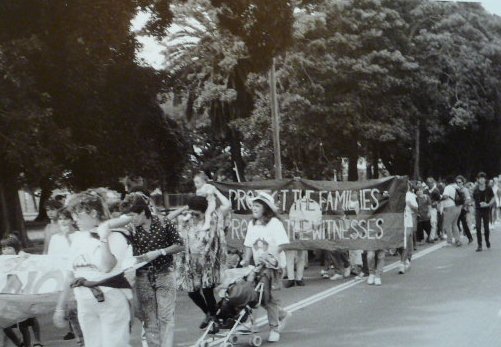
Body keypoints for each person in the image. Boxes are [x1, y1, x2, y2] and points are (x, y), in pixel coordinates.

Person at [53, 190, 134, 347]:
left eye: (78, 216)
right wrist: (59, 308)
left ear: (93, 213)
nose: (75, 221)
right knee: (92, 344)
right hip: (84, 300)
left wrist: (103, 237)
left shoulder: (115, 236)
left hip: (110, 298)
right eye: (74, 216)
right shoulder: (77, 238)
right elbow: (70, 275)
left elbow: (106, 267)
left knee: (115, 344)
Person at [120, 192, 185, 347]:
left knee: (166, 317)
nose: (131, 219)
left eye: (133, 215)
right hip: (142, 277)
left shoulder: (163, 222)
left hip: (165, 273)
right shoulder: (130, 229)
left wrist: (159, 252)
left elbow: (180, 244)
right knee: (149, 320)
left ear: (143, 212)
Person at [174, 184, 231, 332]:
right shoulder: (187, 220)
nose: (193, 216)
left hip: (208, 262)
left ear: (204, 211)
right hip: (191, 263)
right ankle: (209, 314)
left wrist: (215, 191)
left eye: (196, 214)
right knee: (192, 292)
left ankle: (213, 319)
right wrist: (186, 208)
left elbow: (227, 205)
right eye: (191, 213)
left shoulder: (213, 218)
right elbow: (167, 218)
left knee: (207, 290)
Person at [241, 192, 291, 343]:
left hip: (273, 267)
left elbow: (282, 243)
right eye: (253, 206)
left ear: (265, 208)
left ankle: (274, 328)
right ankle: (281, 314)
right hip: (258, 266)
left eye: (257, 206)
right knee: (256, 296)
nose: (254, 208)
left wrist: (270, 255)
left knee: (269, 298)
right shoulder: (252, 224)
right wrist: (245, 261)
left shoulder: (274, 223)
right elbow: (248, 245)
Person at [46, 208, 84, 346]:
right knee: (72, 313)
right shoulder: (55, 239)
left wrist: (69, 237)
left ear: (72, 220)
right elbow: (50, 261)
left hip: (81, 279)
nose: (63, 221)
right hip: (65, 282)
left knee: (82, 313)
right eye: (60, 219)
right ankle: (81, 342)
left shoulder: (80, 235)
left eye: (66, 218)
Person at [1, 236, 45, 347]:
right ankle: (20, 344)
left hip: (22, 293)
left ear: (16, 249)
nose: (6, 251)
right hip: (7, 294)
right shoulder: (2, 260)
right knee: (5, 324)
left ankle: (33, 342)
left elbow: (34, 262)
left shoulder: (21, 257)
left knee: (25, 321)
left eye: (9, 248)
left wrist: (22, 256)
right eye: (4, 248)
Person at [285, 193, 321, 287]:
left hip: (305, 232)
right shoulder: (296, 203)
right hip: (294, 232)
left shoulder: (315, 204)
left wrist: (311, 230)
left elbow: (318, 218)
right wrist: (294, 229)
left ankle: (299, 278)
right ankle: (291, 278)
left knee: (301, 255)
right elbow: (291, 217)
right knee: (291, 255)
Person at [472, 172, 495, 252]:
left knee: (486, 228)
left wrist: (488, 204)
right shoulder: (475, 188)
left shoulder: (488, 188)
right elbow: (472, 199)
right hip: (478, 209)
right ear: (478, 179)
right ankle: (479, 245)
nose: (481, 180)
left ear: (485, 179)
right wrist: (472, 204)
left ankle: (487, 241)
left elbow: (493, 198)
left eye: (483, 178)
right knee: (478, 227)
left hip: (486, 209)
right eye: (480, 178)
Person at [398, 181, 418, 274]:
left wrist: (410, 204)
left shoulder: (411, 195)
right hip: (398, 221)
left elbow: (416, 208)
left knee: (405, 241)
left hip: (407, 220)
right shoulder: (396, 194)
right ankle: (406, 258)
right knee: (399, 243)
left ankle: (402, 264)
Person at [441, 176, 462, 247]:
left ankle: (449, 241)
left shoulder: (448, 187)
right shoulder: (457, 187)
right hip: (457, 206)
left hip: (449, 207)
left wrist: (440, 197)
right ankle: (457, 240)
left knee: (448, 224)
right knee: (454, 224)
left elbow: (446, 196)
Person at [456, 176, 473, 244]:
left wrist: (463, 205)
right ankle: (458, 239)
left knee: (464, 224)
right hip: (456, 209)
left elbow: (468, 199)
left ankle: (470, 237)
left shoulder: (465, 190)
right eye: (457, 182)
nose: (458, 183)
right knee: (456, 224)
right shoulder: (455, 189)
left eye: (459, 182)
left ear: (462, 182)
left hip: (462, 209)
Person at [426, 177, 441, 242]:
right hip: (426, 208)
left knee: (433, 222)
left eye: (430, 182)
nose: (429, 184)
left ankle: (432, 237)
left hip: (433, 208)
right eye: (428, 183)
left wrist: (436, 203)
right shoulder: (426, 190)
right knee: (428, 223)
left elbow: (439, 199)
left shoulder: (436, 190)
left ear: (433, 183)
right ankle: (432, 235)